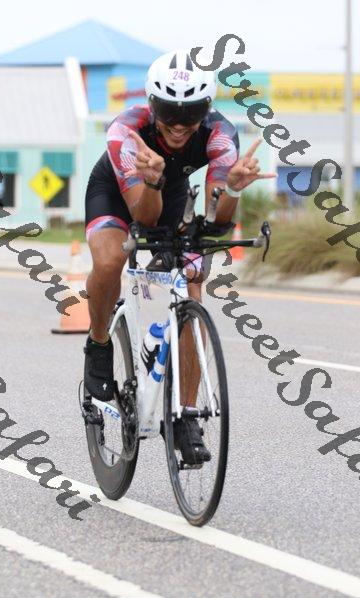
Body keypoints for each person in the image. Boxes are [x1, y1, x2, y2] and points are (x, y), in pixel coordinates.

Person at [84, 49, 274, 463]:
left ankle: (187, 415)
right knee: (110, 261)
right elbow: (142, 217)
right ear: (152, 105)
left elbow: (218, 221)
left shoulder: (220, 134)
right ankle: (98, 344)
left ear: (207, 110)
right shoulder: (126, 130)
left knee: (191, 285)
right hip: (119, 194)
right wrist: (151, 179)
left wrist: (232, 189)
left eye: (192, 113)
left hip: (170, 195)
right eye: (169, 111)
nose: (179, 124)